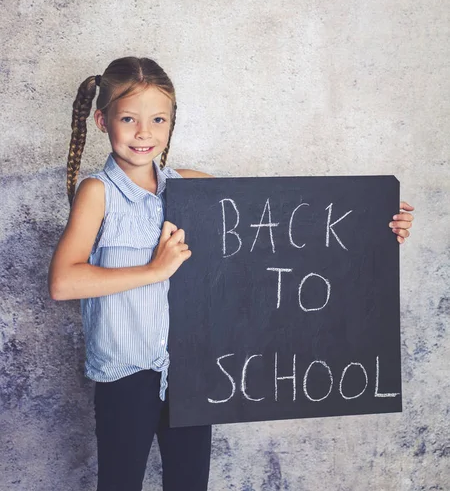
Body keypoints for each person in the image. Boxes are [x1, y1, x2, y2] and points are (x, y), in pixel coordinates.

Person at [48, 56, 414, 491]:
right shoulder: (98, 192)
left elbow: (280, 220)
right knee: (120, 481)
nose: (144, 132)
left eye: (158, 119)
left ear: (171, 122)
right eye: (129, 118)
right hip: (127, 372)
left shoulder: (192, 186)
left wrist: (375, 223)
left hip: (193, 370)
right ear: (102, 120)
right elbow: (63, 282)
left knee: (189, 483)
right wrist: (154, 270)